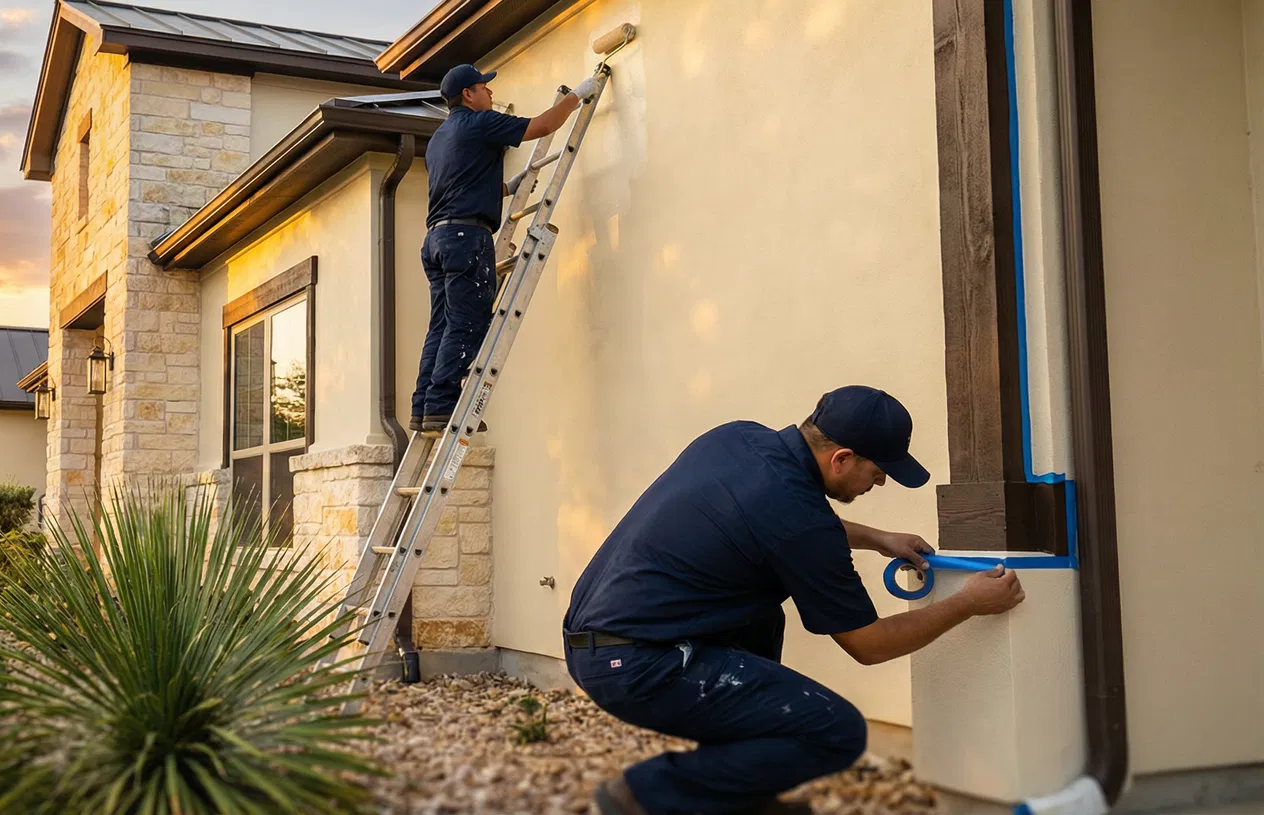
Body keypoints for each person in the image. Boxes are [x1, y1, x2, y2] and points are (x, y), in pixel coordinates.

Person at [562, 386, 1028, 815]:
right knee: (835, 731)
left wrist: (878, 538)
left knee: (764, 613)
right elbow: (869, 645)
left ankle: (740, 798)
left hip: (598, 637)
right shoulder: (804, 524)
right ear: (842, 459)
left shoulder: (739, 438)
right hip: (638, 663)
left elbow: (777, 521)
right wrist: (969, 603)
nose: (880, 483)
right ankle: (644, 793)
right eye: (878, 471)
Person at [410, 64, 600, 432]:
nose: (491, 94)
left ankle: (424, 407)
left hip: (436, 240)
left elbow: (458, 185)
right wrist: (579, 94)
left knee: (441, 324)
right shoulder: (479, 123)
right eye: (484, 87)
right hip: (466, 239)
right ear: (468, 94)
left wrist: (508, 189)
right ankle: (442, 404)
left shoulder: (440, 138)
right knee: (467, 322)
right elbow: (543, 126)